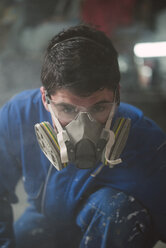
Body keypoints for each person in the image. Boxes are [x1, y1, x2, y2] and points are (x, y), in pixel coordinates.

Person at [0, 24, 166, 248]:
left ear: (118, 95)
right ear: (44, 99)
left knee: (116, 211)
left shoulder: (147, 145)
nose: (84, 129)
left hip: (107, 228)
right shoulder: (19, 116)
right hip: (46, 221)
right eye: (67, 109)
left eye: (99, 108)